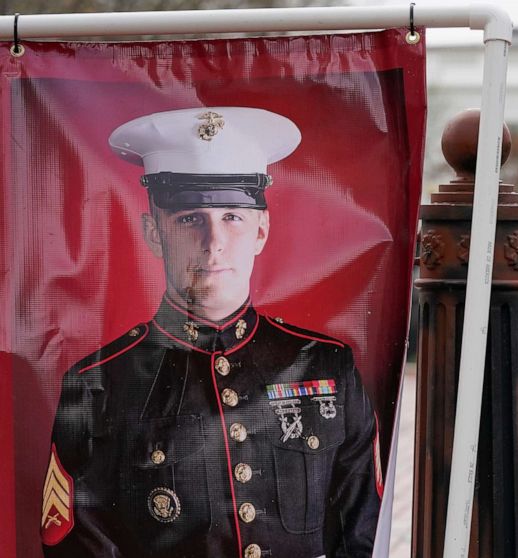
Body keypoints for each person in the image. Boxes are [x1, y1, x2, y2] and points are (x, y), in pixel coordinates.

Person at [41, 107, 381, 558]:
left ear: (261, 231)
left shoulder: (327, 367)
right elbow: (77, 547)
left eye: (232, 217)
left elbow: (363, 533)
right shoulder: (98, 385)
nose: (213, 241)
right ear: (153, 233)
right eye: (189, 219)